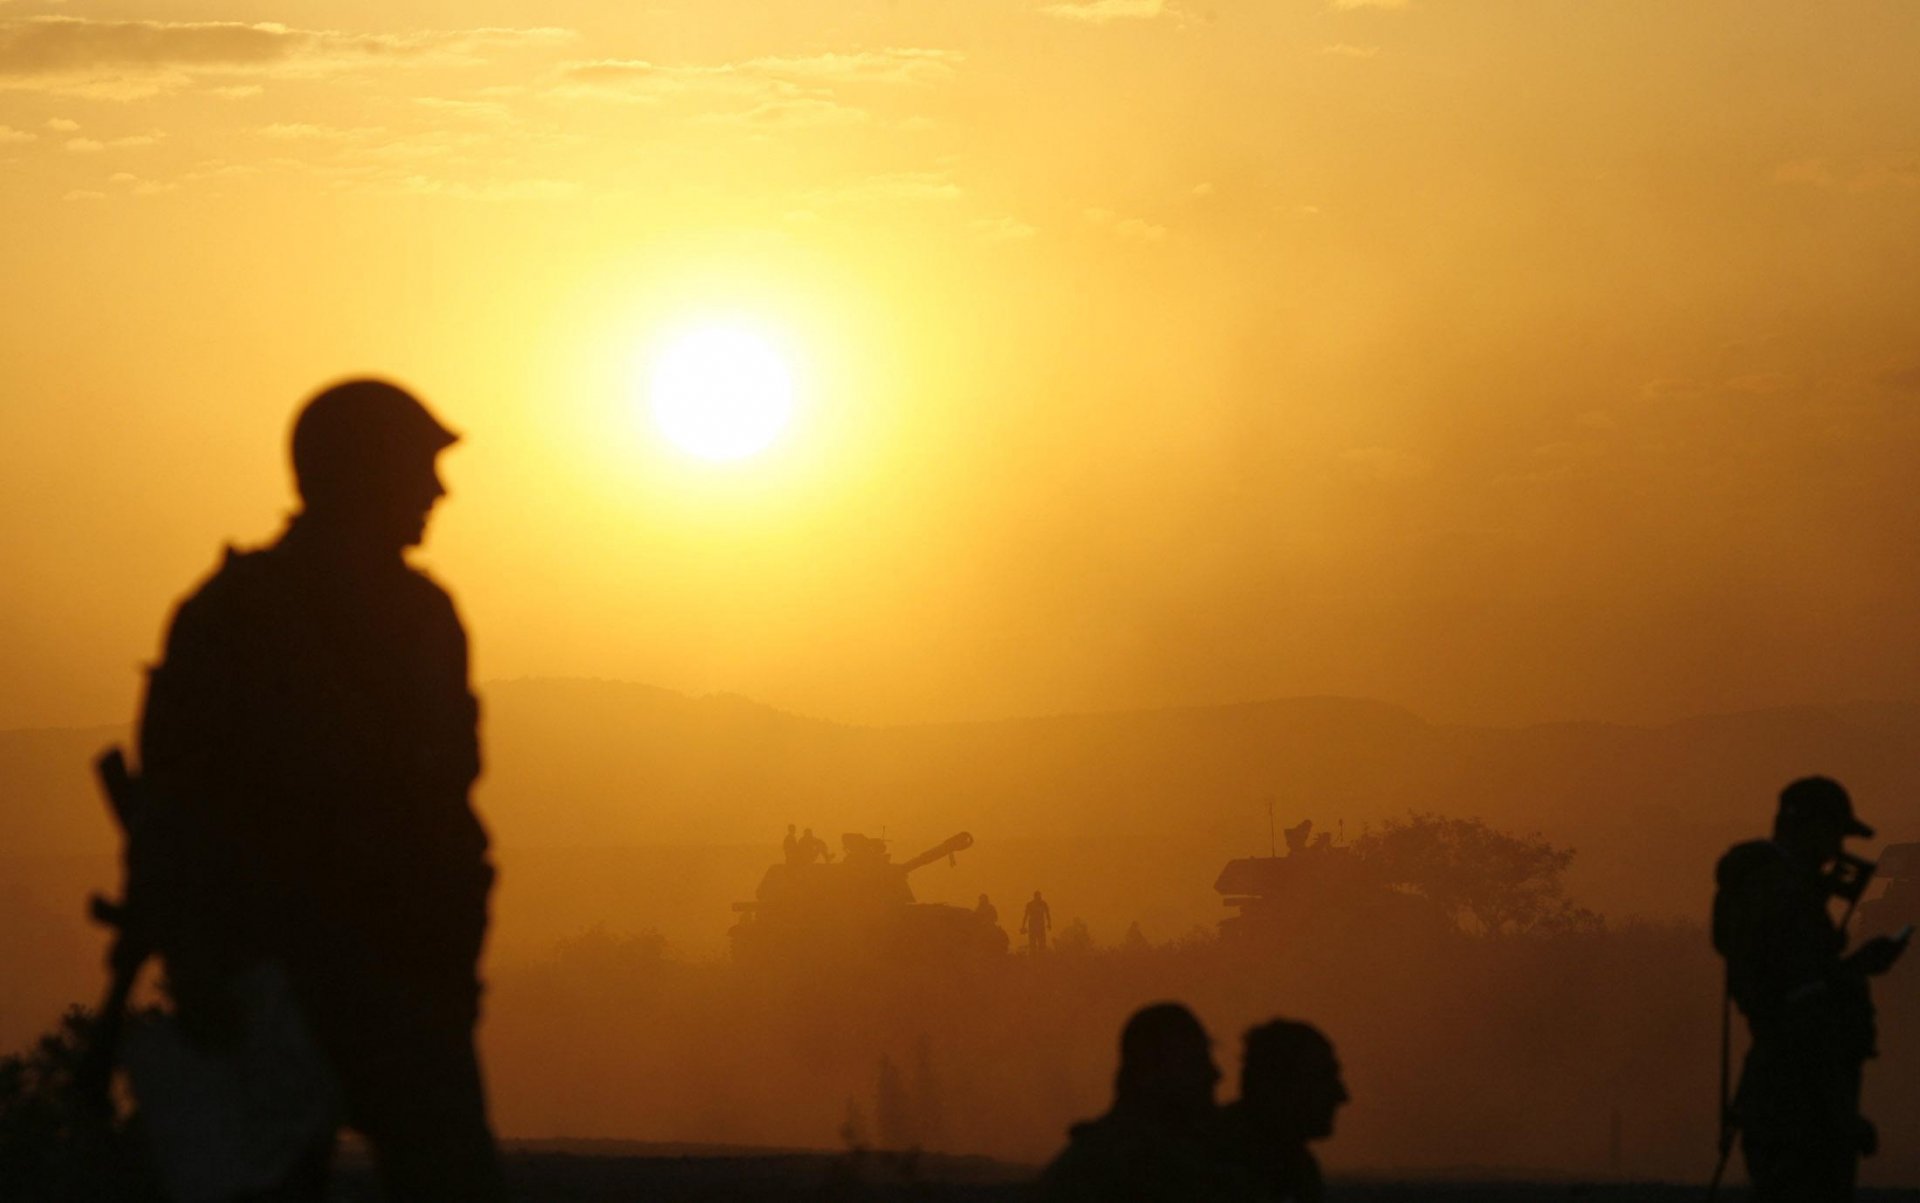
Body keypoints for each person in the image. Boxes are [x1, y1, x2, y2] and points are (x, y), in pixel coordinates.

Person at [138, 379, 505, 1202]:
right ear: (362, 473)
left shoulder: (237, 611)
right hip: (307, 984)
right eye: (418, 468)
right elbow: (177, 810)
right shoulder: (391, 617)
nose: (438, 491)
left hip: (370, 977)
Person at [1712, 776, 1909, 1202]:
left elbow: (1795, 987)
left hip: (1782, 1092)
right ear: (1810, 827)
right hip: (1799, 1105)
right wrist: (1839, 1117)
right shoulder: (1783, 894)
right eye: (1834, 833)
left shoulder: (1768, 889)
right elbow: (1802, 1012)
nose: (1837, 849)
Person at [1040, 1002, 1252, 1202]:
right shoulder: (1121, 1171)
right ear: (1148, 1071)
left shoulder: (1099, 1160)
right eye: (1194, 1063)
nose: (1214, 1074)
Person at [1217, 1020, 1348, 1203]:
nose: (1342, 1095)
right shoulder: (1214, 1165)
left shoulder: (1296, 1165)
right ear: (1281, 1085)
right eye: (1323, 1078)